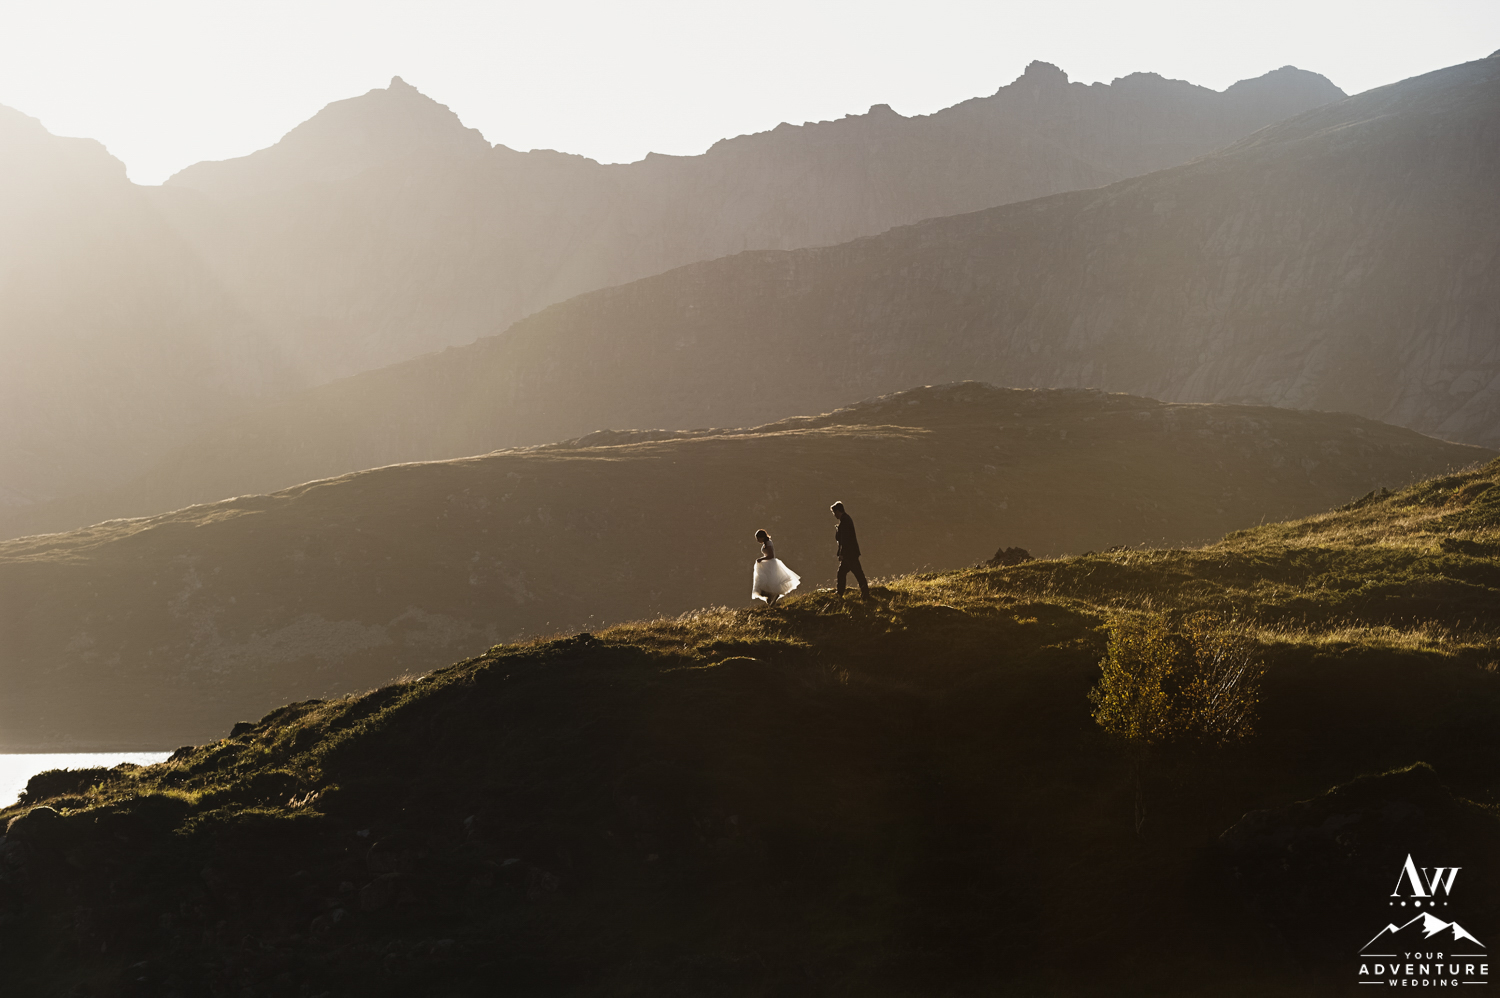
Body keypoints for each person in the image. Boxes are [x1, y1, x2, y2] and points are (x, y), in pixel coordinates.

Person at [751, 529, 801, 606]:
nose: (757, 540)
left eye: (758, 538)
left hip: (770, 565)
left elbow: (771, 556)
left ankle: (773, 599)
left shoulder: (768, 543)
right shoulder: (766, 543)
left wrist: (761, 559)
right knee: (765, 587)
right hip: (767, 565)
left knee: (768, 586)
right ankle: (771, 603)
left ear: (762, 537)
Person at [830, 501, 869, 597]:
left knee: (853, 573)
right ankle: (863, 592)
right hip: (851, 553)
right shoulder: (846, 520)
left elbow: (844, 539)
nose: (834, 515)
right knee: (850, 573)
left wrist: (842, 553)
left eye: (834, 513)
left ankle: (841, 593)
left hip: (849, 554)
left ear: (838, 511)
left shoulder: (845, 521)